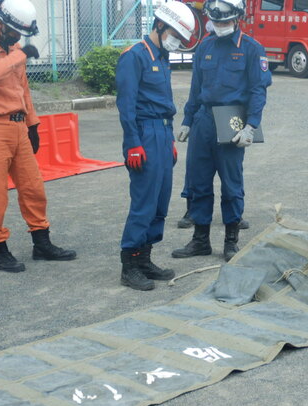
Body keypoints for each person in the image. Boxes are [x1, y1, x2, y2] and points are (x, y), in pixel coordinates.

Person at [0, 0, 76, 273]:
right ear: (0, 22)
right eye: (13, 32)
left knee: (33, 187)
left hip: (18, 126)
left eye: (19, 35)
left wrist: (32, 124)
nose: (16, 39)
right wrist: (20, 55)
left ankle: (41, 243)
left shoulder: (14, 49)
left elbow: (23, 88)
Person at [173, 0, 271, 261]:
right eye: (216, 22)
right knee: (199, 182)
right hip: (203, 118)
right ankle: (200, 240)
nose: (221, 26)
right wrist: (187, 119)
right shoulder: (204, 46)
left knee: (231, 184)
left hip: (233, 118)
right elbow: (196, 88)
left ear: (237, 19)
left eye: (226, 22)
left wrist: (251, 126)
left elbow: (258, 91)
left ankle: (231, 240)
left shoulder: (252, 49)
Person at [115, 1, 196, 291]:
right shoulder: (134, 57)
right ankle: (129, 265)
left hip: (162, 134)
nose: (177, 40)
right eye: (175, 32)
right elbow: (126, 106)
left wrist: (171, 139)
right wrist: (133, 144)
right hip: (144, 135)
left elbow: (164, 105)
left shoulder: (161, 57)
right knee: (144, 203)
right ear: (160, 25)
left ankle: (145, 258)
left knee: (160, 202)